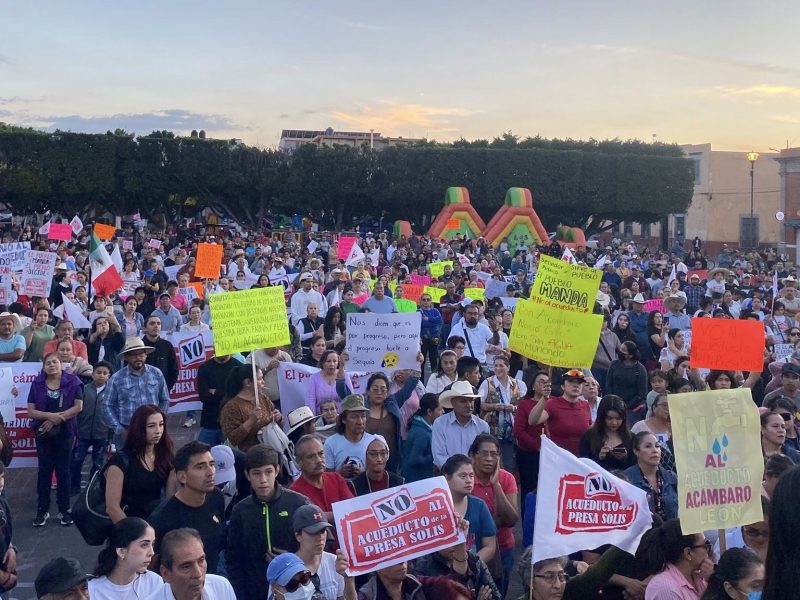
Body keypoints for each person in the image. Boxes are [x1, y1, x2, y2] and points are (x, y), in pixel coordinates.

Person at [226, 445, 309, 600]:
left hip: (296, 590)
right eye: (256, 473)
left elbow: (318, 545)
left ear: (277, 470)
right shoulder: (240, 511)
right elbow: (233, 559)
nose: (263, 480)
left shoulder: (298, 503)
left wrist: (294, 558)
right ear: (247, 474)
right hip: (254, 592)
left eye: (268, 472)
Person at [149, 442, 225, 574]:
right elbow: (150, 566)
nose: (210, 472)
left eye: (212, 464)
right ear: (182, 477)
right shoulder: (162, 518)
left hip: (211, 579)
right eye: (200, 467)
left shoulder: (216, 497)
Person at [27, 352, 84, 527]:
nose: (52, 365)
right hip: (43, 433)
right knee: (44, 471)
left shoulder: (73, 381)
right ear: (44, 367)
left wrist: (57, 419)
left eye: (55, 362)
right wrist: (50, 417)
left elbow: (78, 407)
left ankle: (64, 510)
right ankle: (42, 510)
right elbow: (31, 411)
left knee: (63, 471)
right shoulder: (37, 383)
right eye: (48, 363)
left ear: (61, 364)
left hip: (65, 433)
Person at [106, 404, 177, 523]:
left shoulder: (166, 455)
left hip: (156, 522)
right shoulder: (121, 460)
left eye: (161, 424)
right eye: (151, 426)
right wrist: (135, 531)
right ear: (138, 428)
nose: (158, 431)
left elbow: (170, 499)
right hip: (127, 523)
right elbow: (112, 507)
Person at [468, 433, 518, 595]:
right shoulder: (466, 480)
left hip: (503, 547)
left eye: (494, 454)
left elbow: (511, 519)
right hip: (473, 550)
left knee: (499, 593)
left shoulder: (507, 478)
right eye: (484, 453)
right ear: (473, 456)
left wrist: (496, 485)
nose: (489, 459)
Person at [103, 338, 171, 448]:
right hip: (128, 430)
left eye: (141, 354)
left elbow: (165, 399)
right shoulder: (116, 378)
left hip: (153, 429)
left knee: (153, 458)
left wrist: (160, 421)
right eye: (133, 355)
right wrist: (119, 429)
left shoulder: (156, 373)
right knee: (127, 459)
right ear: (126, 357)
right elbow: (107, 405)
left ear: (146, 355)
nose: (138, 358)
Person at [145, 528, 236, 600]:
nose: (198, 574)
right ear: (166, 574)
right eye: (186, 567)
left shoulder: (221, 587)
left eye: (201, 561)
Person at [363, 367, 423, 473]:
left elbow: (408, 388)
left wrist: (417, 365)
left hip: (392, 462)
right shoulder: (361, 408)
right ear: (368, 391)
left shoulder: (393, 403)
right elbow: (343, 392)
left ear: (387, 392)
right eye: (375, 389)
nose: (379, 392)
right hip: (367, 462)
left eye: (383, 389)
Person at [89, 517, 163, 600]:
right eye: (144, 545)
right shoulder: (92, 591)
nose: (152, 552)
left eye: (152, 544)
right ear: (121, 551)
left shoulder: (154, 581)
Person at [442, 454, 497, 565]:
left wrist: (469, 566)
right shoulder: (435, 508)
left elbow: (490, 546)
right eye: (463, 476)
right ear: (447, 479)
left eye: (471, 476)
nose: (469, 480)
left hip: (473, 568)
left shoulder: (479, 506)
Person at [639, 518, 713, 599]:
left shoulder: (701, 576)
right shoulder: (666, 589)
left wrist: (714, 579)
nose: (709, 551)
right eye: (705, 545)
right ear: (688, 553)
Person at [526, 369, 592, 456]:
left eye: (579, 383)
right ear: (562, 386)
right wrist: (544, 398)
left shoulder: (585, 405)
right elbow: (532, 421)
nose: (576, 385)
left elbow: (590, 432)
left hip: (581, 459)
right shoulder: (553, 404)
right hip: (559, 458)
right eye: (571, 381)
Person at [290, 434, 354, 523]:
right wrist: (336, 515)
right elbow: (306, 521)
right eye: (311, 457)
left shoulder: (336, 478)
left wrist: (323, 515)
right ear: (299, 462)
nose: (319, 460)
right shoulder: (294, 492)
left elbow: (353, 510)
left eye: (321, 454)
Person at [478, 355, 525, 470]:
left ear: (508, 367)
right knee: (492, 460)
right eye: (495, 365)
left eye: (501, 366)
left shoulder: (518, 384)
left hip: (510, 430)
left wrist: (513, 408)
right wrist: (494, 406)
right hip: (492, 429)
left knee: (509, 463)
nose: (498, 368)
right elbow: (479, 404)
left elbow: (524, 406)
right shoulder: (486, 383)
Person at [219, 364, 280, 452]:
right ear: (248, 382)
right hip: (248, 455)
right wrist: (251, 421)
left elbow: (276, 422)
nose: (263, 382)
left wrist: (278, 418)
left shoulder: (263, 398)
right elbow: (233, 439)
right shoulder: (231, 407)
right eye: (259, 379)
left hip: (270, 450)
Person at [291, 505, 347, 600]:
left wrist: (349, 579)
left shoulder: (334, 562)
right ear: (298, 536)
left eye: (323, 531)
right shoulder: (285, 569)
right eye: (313, 532)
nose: (320, 537)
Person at [71, 360, 112, 490]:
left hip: (102, 433)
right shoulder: (84, 389)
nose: (101, 375)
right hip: (82, 432)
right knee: (77, 460)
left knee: (97, 462)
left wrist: (111, 434)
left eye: (105, 373)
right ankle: (75, 486)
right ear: (93, 374)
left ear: (109, 376)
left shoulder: (111, 392)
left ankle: (92, 488)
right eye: (98, 372)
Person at [431, 381, 488, 469]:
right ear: (453, 403)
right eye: (463, 401)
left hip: (475, 474)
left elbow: (483, 455)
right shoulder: (440, 424)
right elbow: (439, 456)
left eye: (471, 400)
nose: (469, 405)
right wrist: (456, 472)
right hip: (448, 474)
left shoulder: (483, 426)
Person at [624, 432, 679, 520]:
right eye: (648, 446)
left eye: (657, 446)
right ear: (636, 451)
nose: (655, 450)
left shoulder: (671, 477)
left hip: (671, 528)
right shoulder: (627, 479)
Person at [323, 394, 377, 478]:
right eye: (354, 417)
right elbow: (327, 477)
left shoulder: (372, 442)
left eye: (363, 416)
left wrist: (363, 475)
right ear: (344, 419)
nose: (360, 422)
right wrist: (340, 473)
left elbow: (378, 474)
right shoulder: (331, 443)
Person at [514, 371, 549, 499]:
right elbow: (518, 431)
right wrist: (537, 445)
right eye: (541, 382)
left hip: (548, 454)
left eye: (547, 383)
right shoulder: (524, 404)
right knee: (528, 490)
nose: (544, 385)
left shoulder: (552, 403)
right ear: (533, 386)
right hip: (528, 454)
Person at [579, 395, 634, 470]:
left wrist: (624, 459)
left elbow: (636, 467)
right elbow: (583, 465)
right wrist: (600, 458)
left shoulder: (632, 439)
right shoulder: (589, 437)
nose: (614, 423)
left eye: (618, 418)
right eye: (609, 418)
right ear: (602, 417)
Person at [196, 353, 240, 446]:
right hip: (210, 421)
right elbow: (204, 396)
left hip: (232, 423)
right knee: (202, 451)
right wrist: (227, 393)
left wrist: (215, 391)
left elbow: (238, 395)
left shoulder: (238, 367)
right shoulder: (204, 368)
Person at [402, 393, 442, 482]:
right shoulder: (421, 434)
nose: (442, 412)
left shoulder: (426, 427)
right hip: (416, 480)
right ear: (429, 412)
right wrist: (434, 456)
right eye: (439, 409)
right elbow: (414, 459)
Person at [447, 303, 496, 367]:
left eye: (475, 313)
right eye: (470, 313)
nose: (472, 316)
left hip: (479, 364)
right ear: (464, 314)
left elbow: (494, 342)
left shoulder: (484, 328)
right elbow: (449, 346)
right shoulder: (457, 328)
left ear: (478, 315)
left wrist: (495, 330)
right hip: (463, 364)